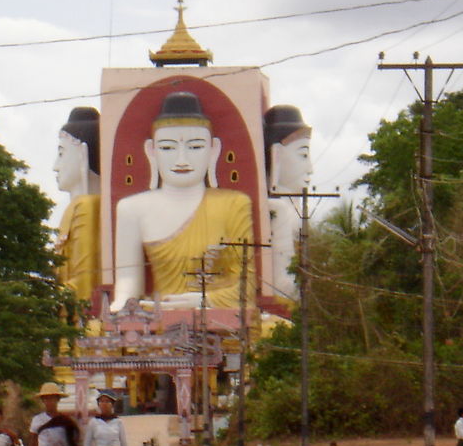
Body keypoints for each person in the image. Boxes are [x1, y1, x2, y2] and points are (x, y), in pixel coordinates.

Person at [111, 91, 255, 311]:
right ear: (151, 151)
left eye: (195, 147)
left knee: (270, 326)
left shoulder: (234, 203)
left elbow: (248, 286)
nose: (182, 160)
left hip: (217, 316)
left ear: (213, 149)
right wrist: (121, 307)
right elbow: (128, 284)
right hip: (159, 314)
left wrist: (203, 301)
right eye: (167, 148)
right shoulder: (131, 209)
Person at [264, 105, 312, 300]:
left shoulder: (294, 207)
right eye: (303, 155)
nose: (310, 168)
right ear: (275, 154)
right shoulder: (277, 208)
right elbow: (282, 287)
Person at [53, 107, 101, 301]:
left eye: (61, 154)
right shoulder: (74, 207)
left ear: (83, 154)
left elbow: (84, 284)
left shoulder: (88, 206)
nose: (55, 166)